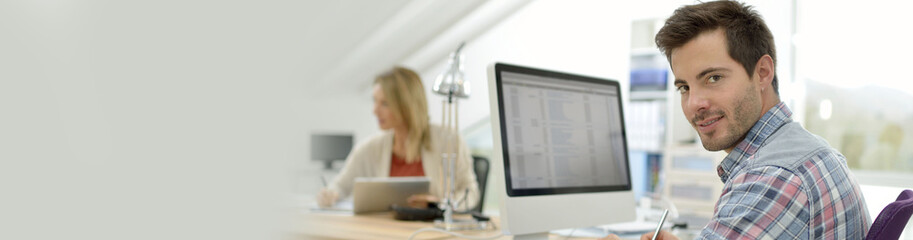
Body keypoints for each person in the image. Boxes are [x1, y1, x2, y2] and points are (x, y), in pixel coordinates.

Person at [604, 1, 869, 239]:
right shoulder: (811, 150)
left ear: (762, 73)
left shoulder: (772, 178)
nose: (694, 103)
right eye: (684, 87)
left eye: (713, 78)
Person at [316, 66, 480, 211]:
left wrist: (441, 204)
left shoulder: (448, 140)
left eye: (384, 103)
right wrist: (329, 195)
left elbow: (470, 193)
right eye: (375, 101)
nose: (375, 110)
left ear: (406, 105)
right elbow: (338, 187)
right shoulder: (370, 148)